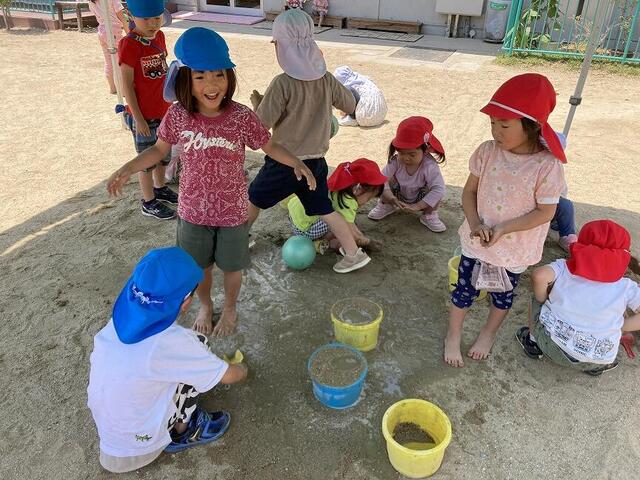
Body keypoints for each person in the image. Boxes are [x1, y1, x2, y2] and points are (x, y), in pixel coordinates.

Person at [107, 27, 313, 337]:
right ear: (185, 80)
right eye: (200, 76)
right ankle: (205, 305)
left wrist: (296, 161)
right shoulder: (177, 115)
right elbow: (159, 150)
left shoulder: (242, 116)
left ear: (229, 77)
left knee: (232, 267)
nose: (211, 84)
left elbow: (268, 145)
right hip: (192, 211)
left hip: (232, 211)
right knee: (199, 268)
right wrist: (128, 167)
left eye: (219, 75)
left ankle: (229, 307)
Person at [87, 247, 248, 473]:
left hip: (112, 437)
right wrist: (242, 368)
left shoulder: (115, 325)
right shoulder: (173, 343)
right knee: (199, 345)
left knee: (178, 361)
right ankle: (184, 431)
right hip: (143, 446)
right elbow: (231, 376)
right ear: (185, 302)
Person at [444, 73, 567, 367]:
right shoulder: (487, 152)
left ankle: (488, 333)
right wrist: (475, 224)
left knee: (502, 295)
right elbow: (469, 192)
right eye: (492, 123)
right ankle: (453, 334)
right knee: (463, 289)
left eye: (504, 124)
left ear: (531, 125)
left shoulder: (547, 166)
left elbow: (546, 212)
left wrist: (503, 229)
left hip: (514, 247)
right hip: (478, 241)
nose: (496, 131)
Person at [248, 9, 370, 274]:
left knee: (254, 198)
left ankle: (238, 241)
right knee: (324, 208)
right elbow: (350, 104)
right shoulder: (326, 79)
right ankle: (354, 253)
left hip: (284, 162)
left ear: (283, 47)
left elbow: (260, 125)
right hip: (316, 163)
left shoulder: (282, 84)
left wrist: (258, 104)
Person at [516, 220, 640, 376]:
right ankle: (594, 368)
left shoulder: (565, 268)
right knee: (616, 315)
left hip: (552, 346)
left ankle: (533, 342)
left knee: (535, 299)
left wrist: (543, 299)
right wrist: (621, 326)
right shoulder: (626, 286)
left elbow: (539, 276)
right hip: (598, 359)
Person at [118, 0, 177, 220]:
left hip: (164, 110)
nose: (153, 23)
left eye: (157, 18)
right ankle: (148, 201)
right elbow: (127, 85)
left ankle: (160, 188)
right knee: (146, 161)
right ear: (132, 16)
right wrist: (139, 118)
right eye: (146, 19)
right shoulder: (129, 44)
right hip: (143, 115)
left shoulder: (159, 36)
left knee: (163, 156)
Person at [288, 158, 386, 253]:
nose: (366, 202)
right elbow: (353, 233)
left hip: (294, 216)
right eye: (368, 198)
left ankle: (323, 241)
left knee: (336, 215)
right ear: (358, 189)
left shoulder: (339, 183)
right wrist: (367, 242)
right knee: (339, 222)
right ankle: (318, 242)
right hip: (306, 229)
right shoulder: (348, 201)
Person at [368, 116, 447, 232]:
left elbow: (439, 190)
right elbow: (381, 179)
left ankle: (429, 214)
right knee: (384, 181)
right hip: (397, 196)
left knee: (436, 190)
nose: (406, 158)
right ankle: (386, 205)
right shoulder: (396, 161)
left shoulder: (429, 165)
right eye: (401, 153)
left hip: (421, 199)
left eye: (412, 154)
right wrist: (390, 198)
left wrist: (418, 206)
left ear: (425, 150)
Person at [87, 0, 128, 94]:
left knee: (108, 61)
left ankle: (112, 88)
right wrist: (129, 33)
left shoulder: (91, 2)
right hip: (113, 31)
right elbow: (122, 17)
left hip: (101, 31)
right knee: (119, 62)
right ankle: (123, 90)